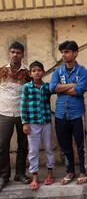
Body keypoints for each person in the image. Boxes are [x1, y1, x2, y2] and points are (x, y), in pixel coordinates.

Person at [49, 41, 87, 185]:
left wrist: (64, 88)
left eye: (66, 52)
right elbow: (52, 88)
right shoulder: (58, 71)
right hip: (60, 114)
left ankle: (83, 172)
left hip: (77, 113)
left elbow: (80, 90)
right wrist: (72, 85)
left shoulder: (83, 71)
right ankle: (70, 171)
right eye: (62, 52)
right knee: (65, 145)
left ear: (75, 53)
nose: (64, 55)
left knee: (80, 145)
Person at [0, 42, 31, 191]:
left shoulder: (28, 73)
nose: (15, 55)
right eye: (12, 52)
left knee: (23, 145)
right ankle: (3, 176)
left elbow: (31, 93)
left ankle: (20, 173)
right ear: (9, 53)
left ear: (22, 54)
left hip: (22, 114)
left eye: (18, 52)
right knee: (2, 145)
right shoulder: (1, 71)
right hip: (4, 113)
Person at [21, 61, 55, 190]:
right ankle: (35, 176)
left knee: (49, 148)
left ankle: (50, 174)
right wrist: (25, 123)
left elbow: (56, 88)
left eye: (39, 70)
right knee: (33, 151)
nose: (37, 73)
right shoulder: (26, 87)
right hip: (32, 123)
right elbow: (23, 106)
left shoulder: (47, 87)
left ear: (43, 72)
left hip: (46, 121)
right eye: (34, 71)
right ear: (30, 73)